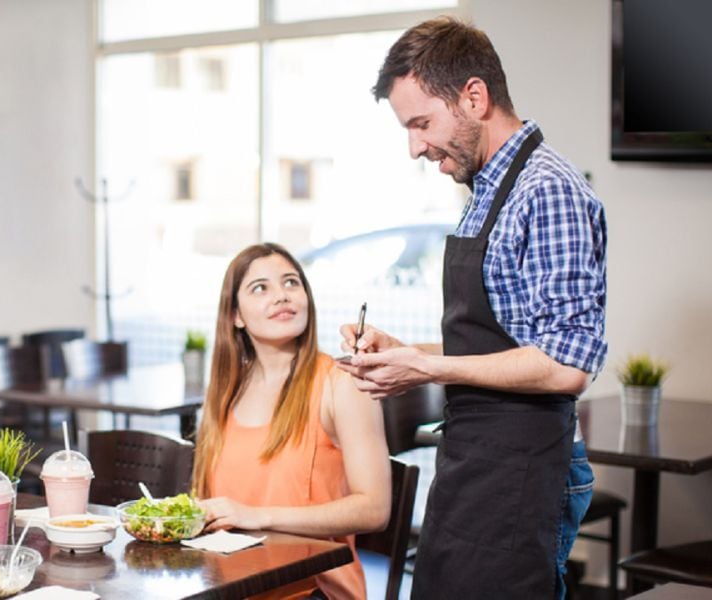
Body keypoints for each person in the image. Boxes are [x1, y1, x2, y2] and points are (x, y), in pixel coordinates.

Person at [338, 17, 607, 600]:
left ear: (475, 97)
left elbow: (565, 364)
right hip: (473, 461)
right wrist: (407, 352)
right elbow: (503, 341)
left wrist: (427, 370)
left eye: (421, 123)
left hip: (525, 469)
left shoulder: (548, 190)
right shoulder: (486, 190)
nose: (415, 146)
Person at [193, 243, 392, 600]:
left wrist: (255, 515)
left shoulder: (342, 383)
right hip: (235, 587)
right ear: (235, 316)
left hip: (314, 590)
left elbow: (374, 509)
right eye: (260, 288)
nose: (282, 296)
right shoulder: (226, 392)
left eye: (291, 283)